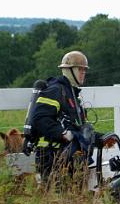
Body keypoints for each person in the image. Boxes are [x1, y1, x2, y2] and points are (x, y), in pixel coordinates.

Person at [30, 51, 90, 182]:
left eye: (85, 70)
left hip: (69, 157)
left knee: (72, 197)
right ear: (69, 70)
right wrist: (62, 134)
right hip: (51, 156)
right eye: (80, 69)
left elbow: (76, 126)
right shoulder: (56, 90)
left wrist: (100, 138)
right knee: (55, 197)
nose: (83, 73)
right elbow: (39, 119)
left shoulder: (73, 94)